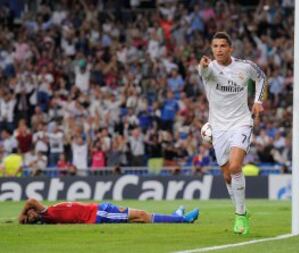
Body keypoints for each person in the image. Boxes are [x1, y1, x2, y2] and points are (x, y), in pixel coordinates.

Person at [198, 32, 266, 235]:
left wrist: (257, 101)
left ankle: (240, 215)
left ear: (230, 48)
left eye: (222, 46)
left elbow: (261, 77)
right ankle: (243, 210)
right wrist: (202, 66)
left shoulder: (245, 66)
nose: (218, 49)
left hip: (241, 123)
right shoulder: (208, 69)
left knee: (236, 166)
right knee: (227, 175)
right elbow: (205, 73)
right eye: (215, 46)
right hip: (218, 127)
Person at [18, 198, 199, 225]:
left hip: (98, 209)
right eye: (30, 215)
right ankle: (182, 219)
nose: (32, 212)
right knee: (141, 215)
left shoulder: (47, 213)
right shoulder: (46, 214)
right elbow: (30, 200)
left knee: (139, 216)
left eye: (30, 212)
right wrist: (22, 217)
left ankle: (175, 217)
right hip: (98, 214)